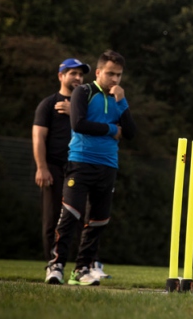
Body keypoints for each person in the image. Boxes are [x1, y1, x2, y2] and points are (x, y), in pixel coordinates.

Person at [45, 50, 136, 285]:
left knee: (98, 221)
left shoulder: (119, 99)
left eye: (119, 75)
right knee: (71, 215)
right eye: (110, 74)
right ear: (98, 72)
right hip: (81, 161)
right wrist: (111, 130)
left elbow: (132, 133)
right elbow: (78, 124)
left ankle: (82, 270)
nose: (115, 80)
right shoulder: (83, 92)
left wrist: (123, 101)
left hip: (108, 165)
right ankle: (56, 266)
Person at [33, 58, 111, 281]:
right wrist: (41, 167)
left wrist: (73, 112)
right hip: (55, 168)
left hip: (82, 166)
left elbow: (97, 123)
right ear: (61, 76)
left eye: (80, 74)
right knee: (53, 219)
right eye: (72, 73)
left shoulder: (86, 101)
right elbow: (38, 137)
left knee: (85, 218)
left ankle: (87, 265)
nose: (77, 78)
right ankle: (54, 266)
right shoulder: (48, 104)